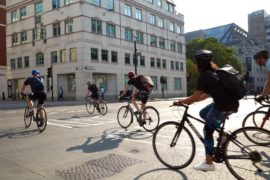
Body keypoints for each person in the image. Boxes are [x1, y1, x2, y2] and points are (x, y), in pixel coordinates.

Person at [173, 50, 239, 171]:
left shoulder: (205, 76)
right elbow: (203, 96)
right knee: (203, 113)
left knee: (207, 130)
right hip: (230, 103)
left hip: (223, 106)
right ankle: (223, 135)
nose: (194, 65)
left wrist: (180, 102)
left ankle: (209, 163)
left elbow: (194, 97)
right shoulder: (213, 73)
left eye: (195, 62)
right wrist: (193, 100)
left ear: (199, 64)